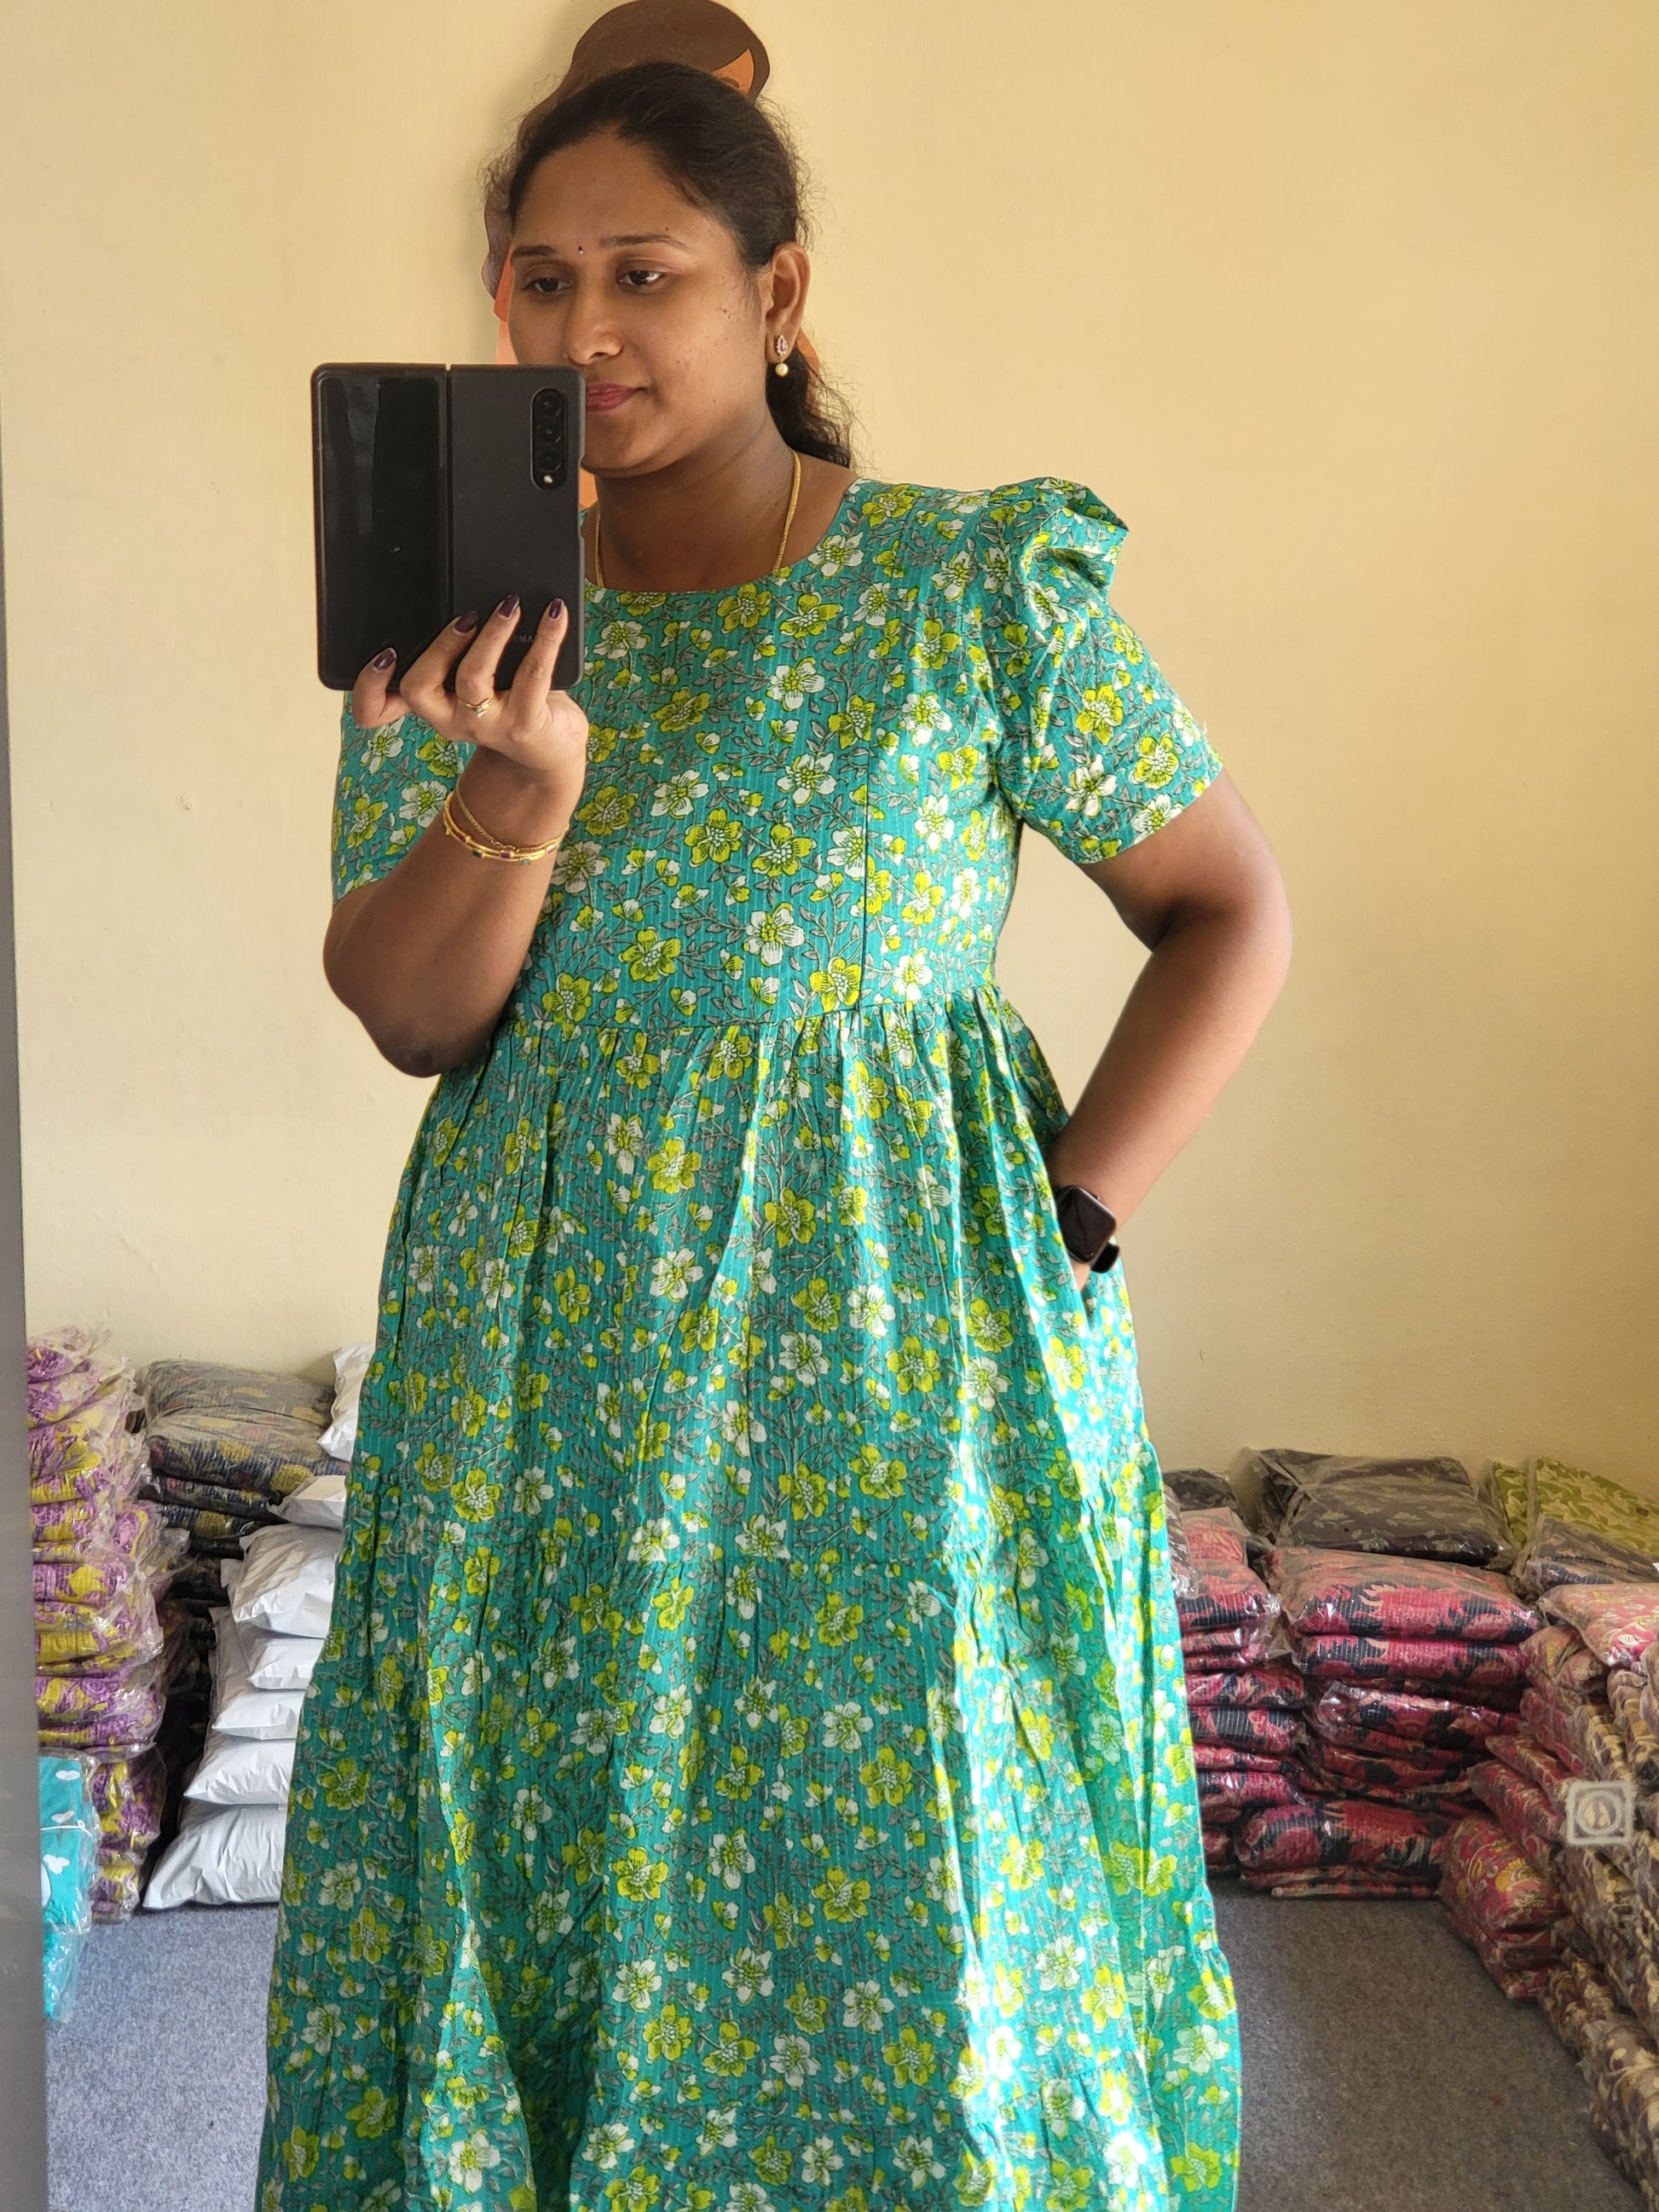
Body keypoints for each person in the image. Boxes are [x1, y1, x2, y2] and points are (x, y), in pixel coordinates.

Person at [258, 59, 1291, 2212]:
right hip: (545, 1354)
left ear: (777, 294)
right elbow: (412, 1008)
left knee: (920, 1819)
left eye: (645, 275)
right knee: (539, 1799)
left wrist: (1076, 1209)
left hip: (904, 1352)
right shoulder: (469, 631)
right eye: (539, 279)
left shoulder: (968, 588)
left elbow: (1227, 909)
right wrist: (520, 783)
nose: (585, 328)